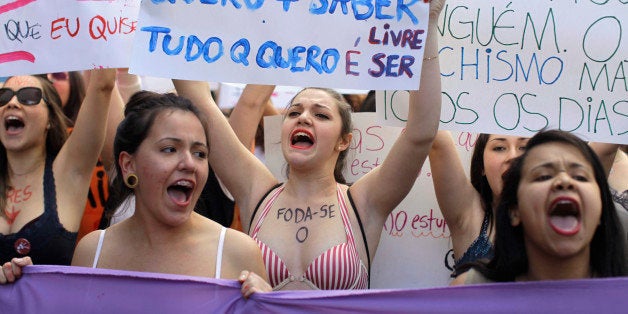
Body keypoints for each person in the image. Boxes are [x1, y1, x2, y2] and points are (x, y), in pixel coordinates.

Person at [173, 0, 445, 291]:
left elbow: (420, 131)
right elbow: (200, 101)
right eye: (294, 112)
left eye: (321, 114)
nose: (303, 117)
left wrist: (427, 28)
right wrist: (173, 13)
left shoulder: (364, 202)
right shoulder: (256, 191)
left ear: (344, 141)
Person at [70, 91, 269, 297]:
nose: (190, 164)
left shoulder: (237, 252)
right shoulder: (92, 252)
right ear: (129, 165)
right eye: (169, 149)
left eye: (200, 153)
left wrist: (269, 306)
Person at [460, 129, 626, 283]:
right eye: (544, 176)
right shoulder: (469, 293)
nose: (564, 181)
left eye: (580, 177)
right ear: (514, 210)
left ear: (601, 209)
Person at [0, 70, 115, 269]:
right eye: (3, 96)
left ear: (50, 119)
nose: (12, 103)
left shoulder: (69, 172)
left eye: (29, 97)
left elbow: (102, 86)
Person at [429, 132, 529, 279]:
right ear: (481, 165)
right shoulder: (470, 214)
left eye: (524, 147)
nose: (513, 156)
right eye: (499, 148)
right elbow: (435, 135)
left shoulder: (560, 217)